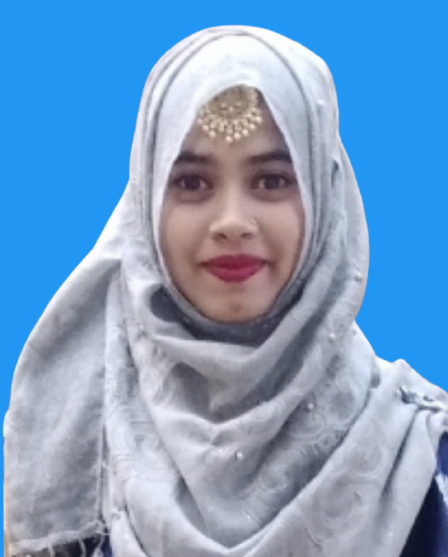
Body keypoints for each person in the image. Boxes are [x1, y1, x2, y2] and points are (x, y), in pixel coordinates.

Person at [4, 25, 448, 557]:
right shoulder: (70, 456)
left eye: (271, 181)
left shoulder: (419, 456)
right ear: (145, 208)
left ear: (324, 199)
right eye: (192, 183)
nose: (232, 221)